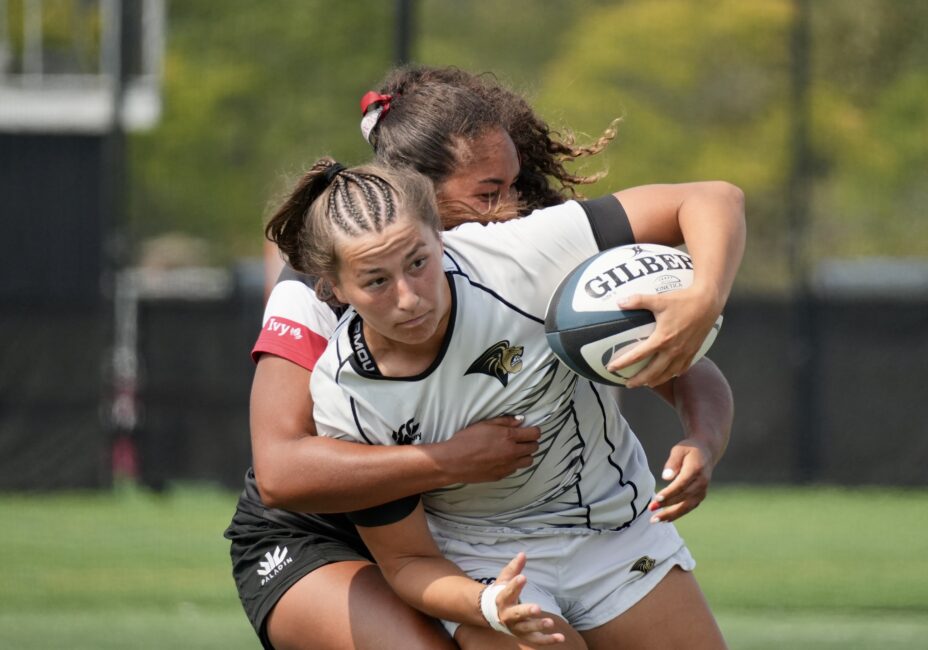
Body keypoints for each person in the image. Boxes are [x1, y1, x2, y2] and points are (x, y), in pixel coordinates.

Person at [226, 65, 744, 650]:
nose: (511, 206)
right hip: (321, 529)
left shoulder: (522, 254)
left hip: (505, 526)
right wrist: (448, 461)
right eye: (488, 192)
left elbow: (681, 346)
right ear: (417, 191)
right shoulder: (324, 300)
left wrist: (702, 308)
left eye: (513, 184)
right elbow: (282, 472)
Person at [298, 159, 731, 648]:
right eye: (376, 281)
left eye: (418, 263)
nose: (409, 298)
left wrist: (705, 301)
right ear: (334, 288)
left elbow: (712, 198)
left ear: (439, 237)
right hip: (482, 563)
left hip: (613, 529)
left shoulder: (518, 257)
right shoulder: (346, 395)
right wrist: (487, 605)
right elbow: (407, 562)